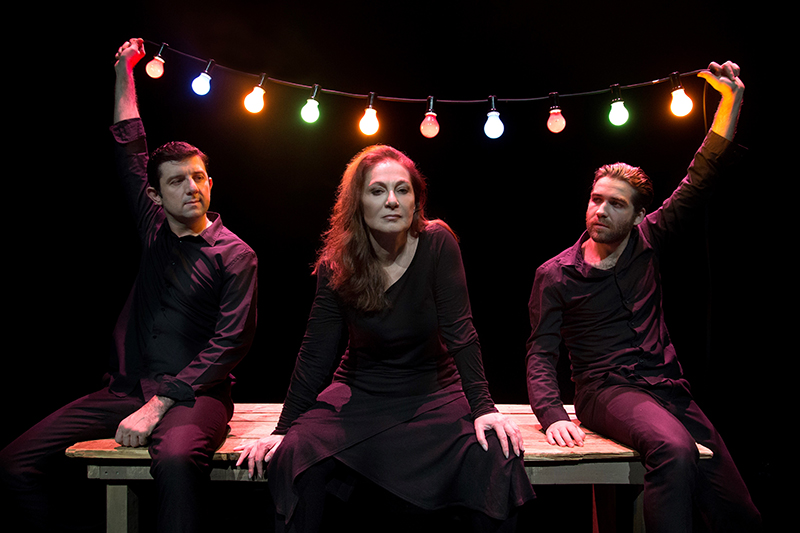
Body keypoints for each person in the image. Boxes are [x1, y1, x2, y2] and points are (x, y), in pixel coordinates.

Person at [0, 38, 258, 533]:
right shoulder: (153, 227)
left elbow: (230, 343)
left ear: (210, 182)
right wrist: (125, 70)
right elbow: (129, 146)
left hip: (194, 396)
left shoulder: (236, 254)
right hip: (126, 388)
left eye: (198, 177)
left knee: (177, 462)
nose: (191, 188)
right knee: (16, 462)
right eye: (177, 181)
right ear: (156, 195)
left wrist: (159, 406)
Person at [236, 145, 535, 532]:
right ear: (357, 202)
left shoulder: (437, 243)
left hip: (433, 390)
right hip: (361, 391)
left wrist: (483, 407)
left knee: (494, 455)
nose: (392, 200)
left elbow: (461, 331)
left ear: (416, 200)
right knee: (295, 453)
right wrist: (283, 428)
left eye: (402, 190)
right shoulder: (338, 262)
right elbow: (316, 351)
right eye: (378, 191)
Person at [525, 61, 760, 532]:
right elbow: (541, 353)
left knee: (739, 512)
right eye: (596, 199)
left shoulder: (649, 239)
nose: (600, 210)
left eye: (615, 204)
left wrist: (731, 100)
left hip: (669, 389)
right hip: (606, 391)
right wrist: (551, 414)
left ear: (636, 216)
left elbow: (701, 173)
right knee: (673, 450)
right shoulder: (556, 275)